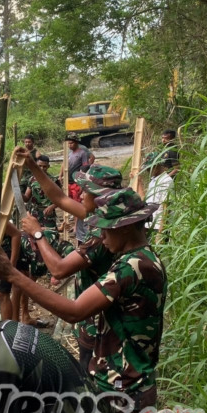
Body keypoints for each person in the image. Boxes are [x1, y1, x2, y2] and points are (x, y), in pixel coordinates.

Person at [0, 188, 167, 413]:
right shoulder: (140, 258)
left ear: (126, 227)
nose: (101, 238)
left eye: (106, 230)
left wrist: (12, 275)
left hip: (124, 388)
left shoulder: (134, 266)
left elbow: (75, 310)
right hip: (123, 383)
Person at [16, 154, 124, 371]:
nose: (81, 193)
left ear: (100, 195)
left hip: (97, 323)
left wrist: (38, 234)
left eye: (86, 190)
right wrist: (32, 165)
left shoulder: (100, 236)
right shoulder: (106, 215)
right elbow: (60, 199)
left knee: (91, 375)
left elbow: (59, 269)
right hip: (99, 315)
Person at [142, 152, 174, 233]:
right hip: (150, 224)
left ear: (157, 166)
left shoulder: (166, 181)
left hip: (158, 226)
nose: (148, 171)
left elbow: (166, 206)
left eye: (149, 168)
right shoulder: (153, 181)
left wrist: (161, 230)